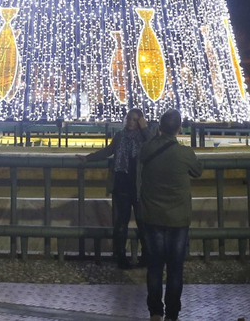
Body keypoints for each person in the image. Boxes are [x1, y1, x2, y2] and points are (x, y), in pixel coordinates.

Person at [135, 109, 202, 321]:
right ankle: (172, 314)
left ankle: (155, 311)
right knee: (175, 269)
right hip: (178, 218)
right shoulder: (185, 153)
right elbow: (198, 170)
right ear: (179, 129)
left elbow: (143, 154)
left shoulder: (147, 149)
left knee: (154, 267)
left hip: (153, 216)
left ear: (159, 127)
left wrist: (154, 135)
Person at [83, 109, 153, 268]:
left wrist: (145, 128)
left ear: (140, 121)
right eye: (129, 118)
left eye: (135, 120)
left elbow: (153, 146)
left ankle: (146, 257)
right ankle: (121, 257)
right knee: (121, 222)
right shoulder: (120, 136)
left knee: (143, 222)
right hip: (121, 184)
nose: (130, 122)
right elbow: (108, 151)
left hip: (139, 185)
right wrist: (88, 158)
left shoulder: (144, 137)